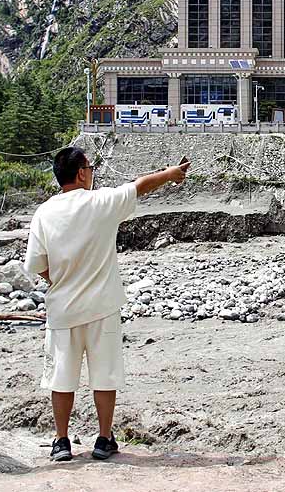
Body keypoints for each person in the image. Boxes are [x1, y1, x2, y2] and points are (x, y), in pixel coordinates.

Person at [23, 148, 188, 462]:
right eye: (90, 167)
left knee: (61, 376)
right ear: (82, 173)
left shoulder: (44, 212)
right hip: (102, 305)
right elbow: (139, 185)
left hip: (63, 307)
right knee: (104, 373)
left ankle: (60, 441)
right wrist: (170, 174)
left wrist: (59, 279)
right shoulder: (100, 203)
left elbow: (38, 264)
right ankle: (103, 438)